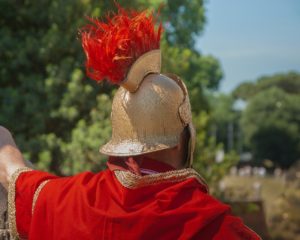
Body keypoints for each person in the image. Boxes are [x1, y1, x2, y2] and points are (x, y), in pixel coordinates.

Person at [0, 6, 261, 240]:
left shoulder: (71, 202)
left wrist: (6, 144)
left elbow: (16, 176)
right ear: (178, 141)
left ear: (122, 139)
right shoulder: (222, 230)